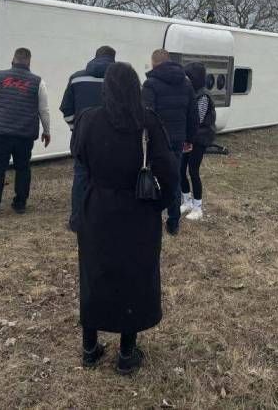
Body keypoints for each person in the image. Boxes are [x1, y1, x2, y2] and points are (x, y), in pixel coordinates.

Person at [72, 62, 179, 375]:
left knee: (94, 275)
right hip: (137, 212)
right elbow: (170, 174)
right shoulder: (148, 123)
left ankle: (90, 348)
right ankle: (126, 353)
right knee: (134, 278)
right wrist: (158, 203)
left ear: (106, 88)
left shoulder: (88, 119)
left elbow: (79, 156)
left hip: (96, 210)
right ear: (135, 88)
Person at [0, 47, 50, 215]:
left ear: (12, 60)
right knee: (23, 168)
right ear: (29, 62)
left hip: (0, 132)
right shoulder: (38, 82)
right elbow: (44, 110)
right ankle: (20, 203)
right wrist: (46, 131)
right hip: (24, 134)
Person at [59, 45, 116, 232]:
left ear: (95, 57)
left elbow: (66, 108)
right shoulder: (119, 78)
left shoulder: (77, 78)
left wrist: (75, 128)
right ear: (113, 59)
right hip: (111, 139)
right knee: (109, 180)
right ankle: (105, 221)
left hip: (82, 138)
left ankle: (77, 221)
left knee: (81, 178)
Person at [141, 49, 196, 236]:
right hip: (178, 139)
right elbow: (192, 114)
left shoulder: (150, 84)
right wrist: (189, 138)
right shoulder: (186, 84)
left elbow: (146, 115)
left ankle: (152, 215)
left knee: (153, 177)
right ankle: (173, 222)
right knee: (174, 177)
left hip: (156, 141)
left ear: (154, 63)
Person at [180, 62, 216, 221]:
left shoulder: (203, 96)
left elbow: (197, 120)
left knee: (193, 171)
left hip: (199, 139)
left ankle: (197, 207)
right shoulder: (191, 92)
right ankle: (186, 201)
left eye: (188, 76)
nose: (185, 79)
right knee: (181, 169)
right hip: (188, 138)